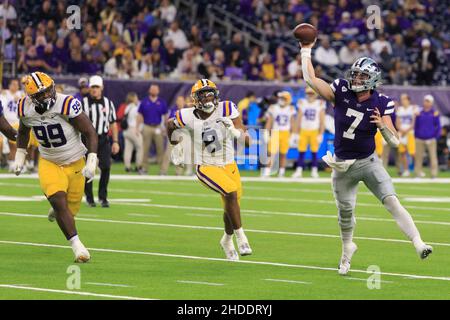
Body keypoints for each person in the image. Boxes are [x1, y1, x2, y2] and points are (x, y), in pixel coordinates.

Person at [300, 41, 432, 275]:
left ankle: (418, 242)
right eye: (356, 74)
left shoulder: (382, 102)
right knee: (345, 213)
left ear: (371, 79)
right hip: (342, 165)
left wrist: (381, 126)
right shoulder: (341, 89)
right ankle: (346, 250)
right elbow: (311, 79)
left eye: (361, 76)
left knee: (391, 200)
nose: (356, 79)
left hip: (369, 162)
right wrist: (306, 50)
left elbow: (395, 142)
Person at [14, 72, 98, 262]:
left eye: (48, 90)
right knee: (60, 201)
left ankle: (58, 209)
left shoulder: (66, 103)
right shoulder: (24, 108)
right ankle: (78, 247)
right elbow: (23, 131)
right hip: (49, 161)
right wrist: (20, 154)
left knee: (71, 209)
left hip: (76, 160)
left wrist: (92, 160)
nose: (47, 96)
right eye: (40, 94)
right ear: (31, 98)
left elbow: (89, 131)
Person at [167, 79, 252, 260]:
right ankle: (241, 238)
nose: (207, 98)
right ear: (195, 99)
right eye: (203, 95)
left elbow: (248, 140)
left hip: (229, 164)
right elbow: (169, 125)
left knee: (232, 203)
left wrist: (235, 131)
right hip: (206, 165)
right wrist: (175, 146)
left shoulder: (227, 108)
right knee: (230, 192)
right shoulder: (186, 115)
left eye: (210, 94)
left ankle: (226, 240)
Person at [82, 75, 120, 207]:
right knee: (88, 169)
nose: (94, 90)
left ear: (101, 88)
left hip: (103, 139)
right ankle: (89, 197)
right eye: (92, 87)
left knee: (106, 167)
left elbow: (113, 123)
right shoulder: (83, 103)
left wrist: (115, 141)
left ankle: (103, 197)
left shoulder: (108, 103)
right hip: (87, 139)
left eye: (96, 87)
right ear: (89, 88)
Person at [292, 86, 325, 178]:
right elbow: (298, 119)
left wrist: (321, 133)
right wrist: (295, 133)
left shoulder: (320, 103)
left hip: (314, 130)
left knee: (314, 151)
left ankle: (314, 170)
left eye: (312, 93)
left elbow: (322, 120)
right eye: (308, 93)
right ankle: (299, 170)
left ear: (315, 94)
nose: (310, 95)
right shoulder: (302, 103)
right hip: (303, 130)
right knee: (301, 151)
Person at [262, 91, 296, 177]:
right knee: (271, 153)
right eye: (281, 98)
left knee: (283, 153)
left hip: (286, 133)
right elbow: (270, 121)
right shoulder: (273, 107)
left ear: (288, 99)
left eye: (283, 98)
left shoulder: (291, 109)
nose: (281, 100)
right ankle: (267, 171)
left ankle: (281, 171)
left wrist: (294, 135)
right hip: (275, 132)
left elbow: (292, 123)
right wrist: (266, 131)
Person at [136, 84, 168, 174]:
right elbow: (139, 115)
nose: (154, 91)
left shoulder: (161, 102)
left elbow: (165, 116)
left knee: (160, 149)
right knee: (145, 148)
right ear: (149, 91)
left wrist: (166, 128)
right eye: (152, 89)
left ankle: (162, 170)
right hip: (147, 126)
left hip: (158, 127)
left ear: (158, 91)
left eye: (155, 89)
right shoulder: (144, 101)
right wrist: (137, 127)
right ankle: (144, 168)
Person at [414, 95, 441, 178]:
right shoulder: (419, 113)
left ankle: (433, 174)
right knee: (418, 157)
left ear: (431, 103)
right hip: (420, 138)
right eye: (425, 101)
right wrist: (416, 135)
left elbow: (438, 126)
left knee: (433, 157)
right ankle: (418, 174)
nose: (426, 103)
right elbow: (416, 125)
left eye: (428, 101)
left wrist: (435, 137)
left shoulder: (435, 113)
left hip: (431, 139)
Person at [395, 94, 418, 176]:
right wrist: (401, 130)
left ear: (408, 100)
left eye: (404, 99)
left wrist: (407, 131)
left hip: (410, 133)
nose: (403, 101)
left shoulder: (413, 108)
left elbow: (413, 123)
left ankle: (417, 169)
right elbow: (397, 122)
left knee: (413, 153)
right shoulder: (400, 109)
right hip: (401, 133)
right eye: (402, 99)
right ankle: (406, 170)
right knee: (402, 152)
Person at [123, 92, 144, 173]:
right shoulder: (135, 108)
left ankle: (127, 167)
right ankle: (139, 166)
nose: (137, 99)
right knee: (140, 148)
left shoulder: (127, 107)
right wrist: (137, 129)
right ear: (133, 98)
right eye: (136, 97)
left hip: (126, 130)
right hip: (133, 129)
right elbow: (138, 119)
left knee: (128, 149)